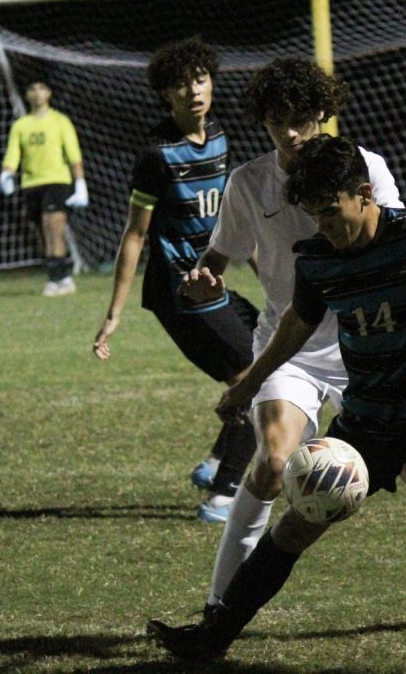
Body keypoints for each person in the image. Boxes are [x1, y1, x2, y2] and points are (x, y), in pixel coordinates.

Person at [147, 134, 406, 672]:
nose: (325, 228)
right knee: (302, 513)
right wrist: (249, 382)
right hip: (369, 410)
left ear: (365, 193)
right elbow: (294, 328)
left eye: (332, 213)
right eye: (314, 217)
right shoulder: (319, 261)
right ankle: (215, 635)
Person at [170, 58, 406, 624]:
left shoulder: (364, 167)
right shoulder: (248, 183)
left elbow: (396, 242)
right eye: (276, 123)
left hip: (369, 345)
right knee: (272, 463)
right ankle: (220, 607)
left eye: (299, 119)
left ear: (323, 112)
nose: (289, 134)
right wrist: (203, 280)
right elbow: (217, 257)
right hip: (289, 345)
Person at [91, 37, 258, 523]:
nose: (194, 90)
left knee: (265, 349)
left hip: (213, 283)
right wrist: (113, 316)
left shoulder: (222, 137)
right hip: (180, 292)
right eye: (182, 85)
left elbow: (226, 217)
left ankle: (212, 466)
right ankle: (223, 496)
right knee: (259, 377)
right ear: (167, 95)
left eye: (201, 79)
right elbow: (135, 235)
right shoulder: (156, 154)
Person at [0, 79, 88, 297]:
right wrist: (6, 174)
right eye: (32, 89)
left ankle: (55, 278)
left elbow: (73, 154)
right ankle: (63, 276)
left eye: (41, 88)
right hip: (31, 184)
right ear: (27, 95)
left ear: (49, 93)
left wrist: (80, 183)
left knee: (53, 226)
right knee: (42, 233)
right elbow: (13, 154)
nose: (37, 93)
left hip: (57, 181)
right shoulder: (21, 125)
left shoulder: (60, 121)